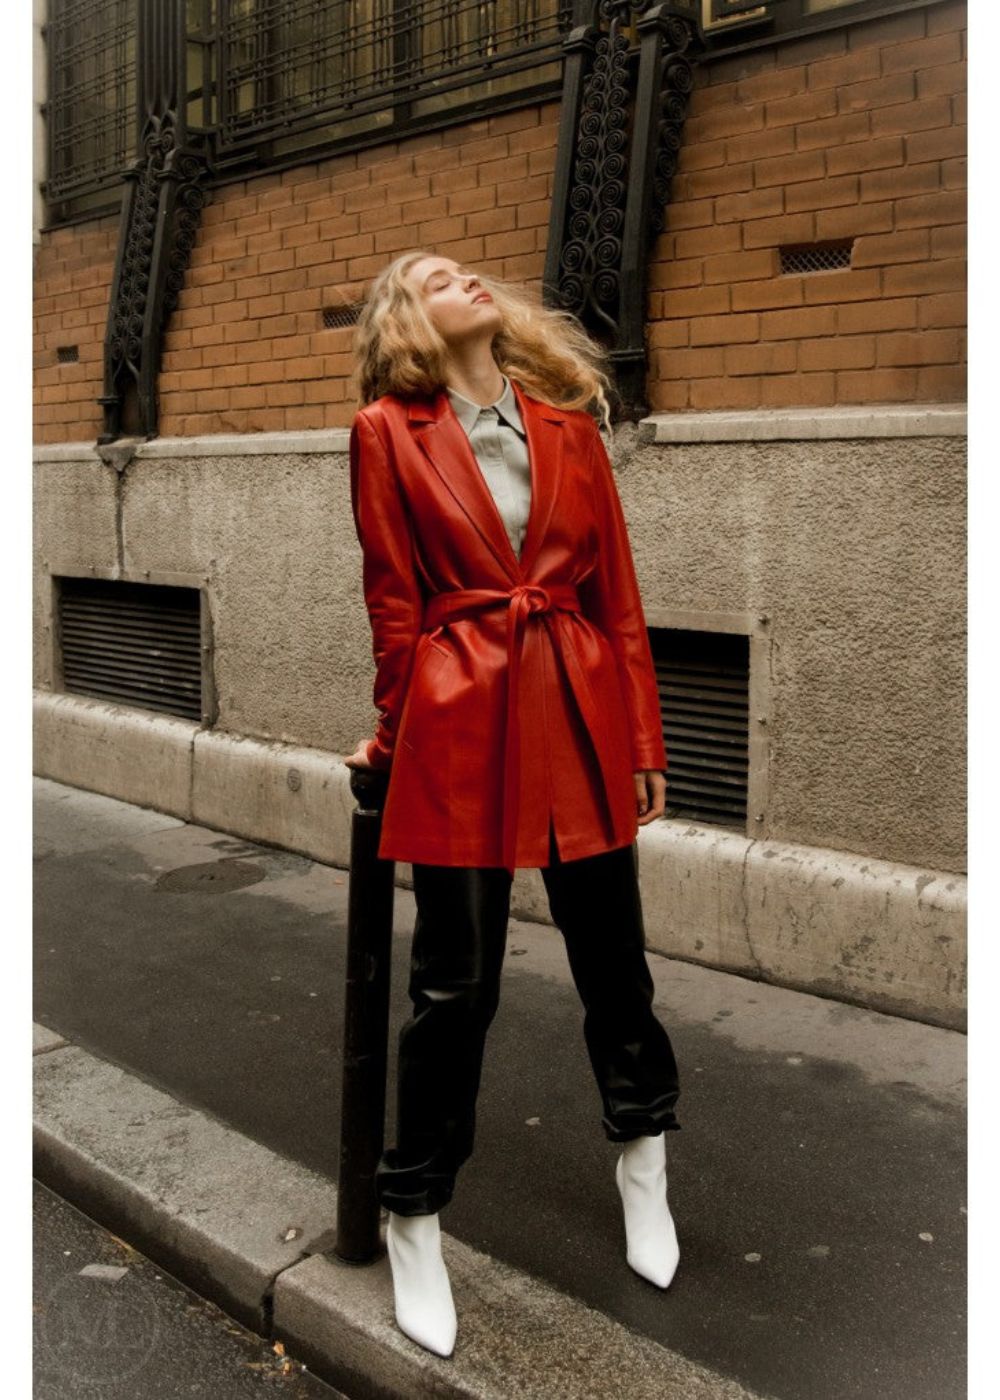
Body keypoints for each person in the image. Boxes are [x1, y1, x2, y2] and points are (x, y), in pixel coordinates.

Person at [343, 250, 681, 1358]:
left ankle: (644, 1160)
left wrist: (641, 737)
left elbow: (617, 596)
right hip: (457, 711)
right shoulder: (387, 433)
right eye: (435, 278)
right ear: (406, 320)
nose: (467, 280)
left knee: (614, 963)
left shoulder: (571, 427)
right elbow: (394, 604)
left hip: (578, 699)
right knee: (455, 983)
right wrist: (391, 738)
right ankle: (413, 1213)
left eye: (468, 269)